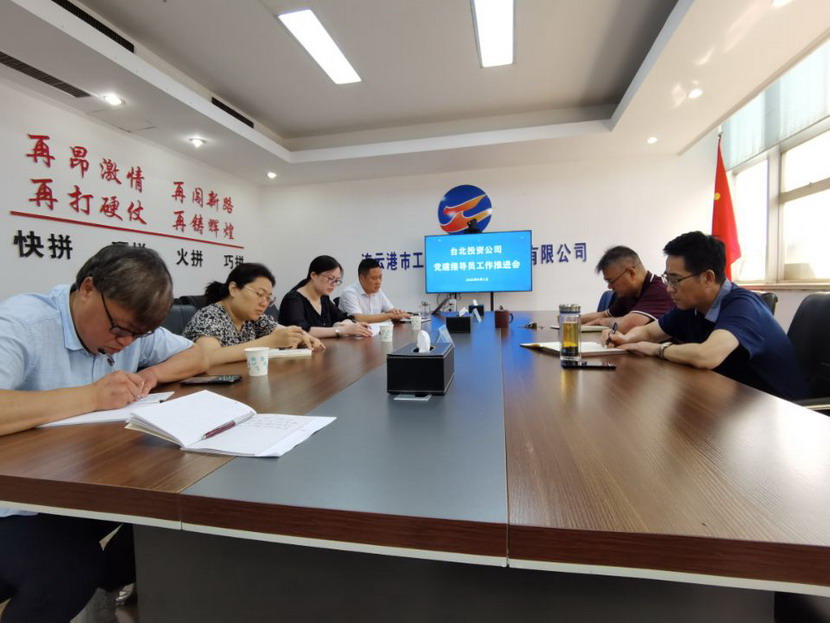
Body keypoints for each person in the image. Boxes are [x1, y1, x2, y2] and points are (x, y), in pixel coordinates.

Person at [0, 244, 208, 622]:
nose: (126, 343)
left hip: (77, 482)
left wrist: (152, 373)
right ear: (87, 289)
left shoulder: (131, 327)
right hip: (14, 502)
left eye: (139, 335)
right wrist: (92, 396)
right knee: (66, 571)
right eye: (120, 329)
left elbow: (199, 354)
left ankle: (100, 596)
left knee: (160, 511)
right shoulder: (23, 324)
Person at [606, 232, 808, 400]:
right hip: (735, 400)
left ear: (708, 277)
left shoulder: (743, 306)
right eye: (668, 278)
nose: (669, 289)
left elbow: (706, 356)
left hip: (781, 411)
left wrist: (655, 349)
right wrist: (625, 338)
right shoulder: (691, 306)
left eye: (676, 280)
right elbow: (649, 333)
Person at [183, 263, 323, 365]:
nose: (264, 303)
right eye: (259, 294)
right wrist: (271, 342)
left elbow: (283, 331)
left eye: (268, 298)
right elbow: (208, 357)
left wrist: (305, 337)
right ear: (234, 289)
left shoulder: (253, 318)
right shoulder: (209, 316)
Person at [581, 245, 674, 333]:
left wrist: (602, 321)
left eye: (611, 281)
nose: (609, 286)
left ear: (631, 273)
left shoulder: (659, 290)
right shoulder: (629, 293)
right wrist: (574, 320)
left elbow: (629, 325)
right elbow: (604, 315)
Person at [278, 256, 373, 338]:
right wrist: (341, 330)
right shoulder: (293, 300)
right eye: (331, 279)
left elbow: (341, 317)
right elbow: (302, 331)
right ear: (313, 275)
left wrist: (347, 324)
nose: (334, 285)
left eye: (337, 281)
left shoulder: (323, 297)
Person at [338, 258, 410, 323]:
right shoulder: (349, 293)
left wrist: (398, 314)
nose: (378, 282)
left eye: (380, 277)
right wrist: (389, 315)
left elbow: (391, 310)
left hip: (374, 332)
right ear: (362, 278)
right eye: (374, 278)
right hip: (353, 334)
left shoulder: (378, 291)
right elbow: (358, 319)